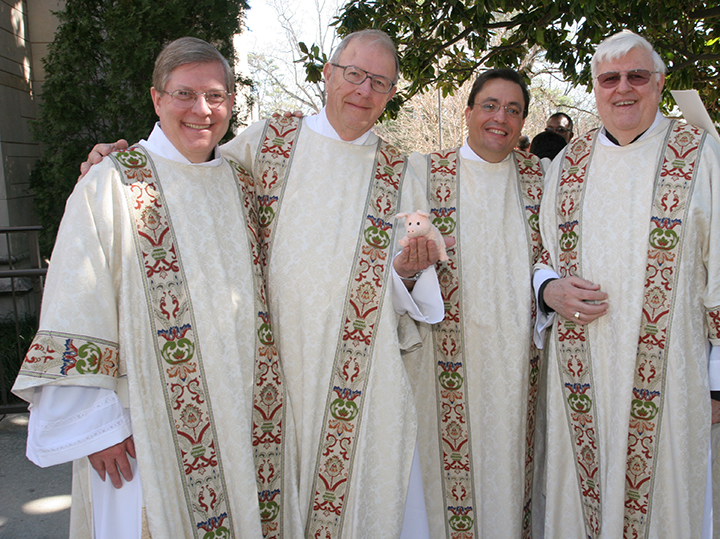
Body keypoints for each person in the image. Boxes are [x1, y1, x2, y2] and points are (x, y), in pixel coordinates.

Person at [81, 29, 449, 539]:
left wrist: (410, 273)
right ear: (328, 74)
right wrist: (117, 163)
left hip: (357, 378)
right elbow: (190, 171)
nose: (363, 90)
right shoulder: (268, 141)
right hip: (262, 379)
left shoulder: (399, 170)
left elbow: (407, 278)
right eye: (354, 74)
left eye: (380, 82)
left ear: (391, 94)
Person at [13, 37, 293, 538]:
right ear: (156, 99)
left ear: (232, 101)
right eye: (184, 94)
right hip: (139, 424)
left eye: (216, 95)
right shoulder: (113, 182)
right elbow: (76, 300)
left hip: (241, 414)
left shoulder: (241, 183)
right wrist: (96, 427)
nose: (201, 110)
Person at [536, 30, 720, 539]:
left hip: (675, 383)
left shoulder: (698, 155)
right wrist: (549, 290)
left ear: (659, 84)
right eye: (609, 78)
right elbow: (542, 256)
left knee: (670, 506)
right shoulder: (569, 164)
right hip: (581, 374)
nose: (623, 88)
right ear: (595, 89)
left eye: (637, 75)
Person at [399, 68, 607, 539]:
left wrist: (550, 286)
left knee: (514, 480)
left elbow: (562, 255)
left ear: (523, 122)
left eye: (514, 110)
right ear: (468, 111)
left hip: (520, 368)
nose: (501, 117)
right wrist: (411, 268)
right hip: (440, 364)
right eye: (490, 105)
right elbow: (394, 265)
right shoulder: (423, 171)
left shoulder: (545, 180)